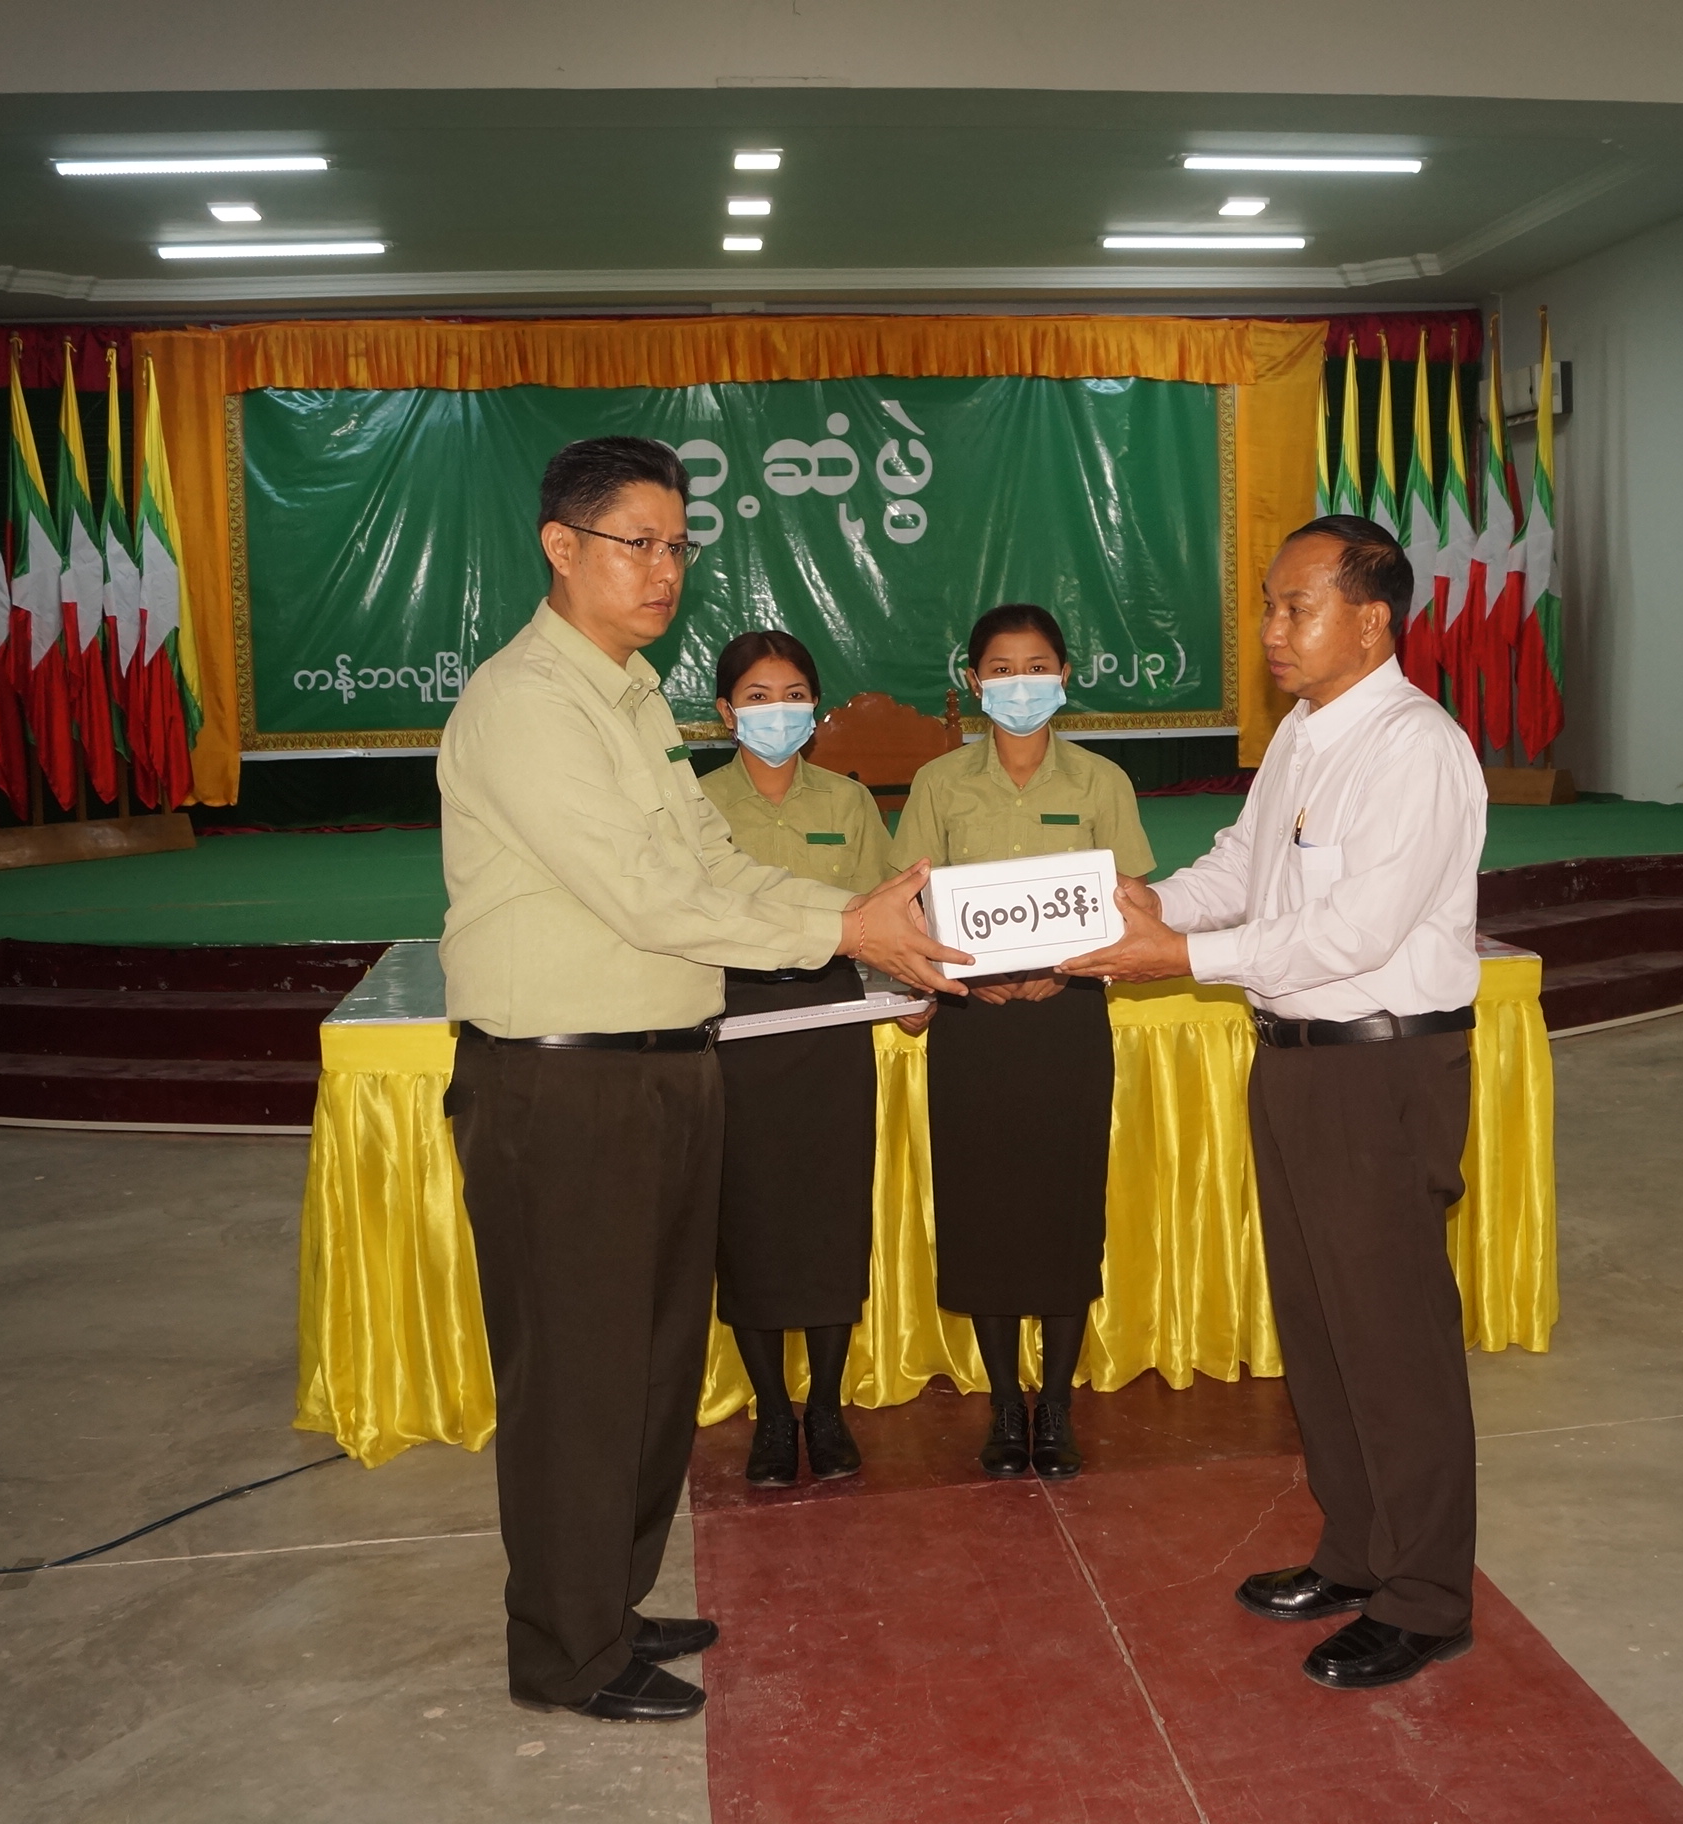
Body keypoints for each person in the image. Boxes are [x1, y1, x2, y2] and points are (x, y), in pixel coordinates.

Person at [437, 437, 967, 1724]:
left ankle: (606, 1605)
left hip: (667, 1073)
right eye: (638, 544)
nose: (665, 570)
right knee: (580, 1379)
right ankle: (563, 1650)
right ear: (561, 548)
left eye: (679, 545)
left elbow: (715, 869)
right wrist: (845, 930)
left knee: (652, 1365)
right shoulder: (527, 704)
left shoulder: (629, 700)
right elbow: (646, 895)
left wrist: (859, 916)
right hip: (564, 1088)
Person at [1060, 515, 1488, 1693]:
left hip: (1380, 1070)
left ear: (1373, 620)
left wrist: (1179, 960)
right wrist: (1148, 909)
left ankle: (1426, 1597)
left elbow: (1356, 932)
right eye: (1267, 605)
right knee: (1321, 1325)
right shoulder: (1305, 733)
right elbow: (1245, 868)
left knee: (1392, 1338)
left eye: (1298, 607)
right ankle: (1357, 1553)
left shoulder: (1416, 747)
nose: (1272, 630)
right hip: (1297, 1059)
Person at [891, 604, 1154, 1482]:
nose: (1019, 685)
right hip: (972, 1025)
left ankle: (1059, 1406)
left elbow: (1132, 906)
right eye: (1000, 670)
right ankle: (1006, 1405)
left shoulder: (1102, 782)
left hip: (1066, 1021)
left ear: (1065, 676)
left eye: (1036, 667)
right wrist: (964, 977)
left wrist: (1071, 971)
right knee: (986, 1212)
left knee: (1064, 1209)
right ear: (974, 683)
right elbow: (910, 906)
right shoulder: (938, 784)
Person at [699, 629, 894, 1486]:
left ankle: (826, 1406)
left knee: (828, 1214)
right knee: (747, 1220)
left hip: (829, 1020)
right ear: (725, 712)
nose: (776, 712)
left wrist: (913, 986)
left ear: (815, 708)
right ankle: (773, 1412)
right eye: (756, 697)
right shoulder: (693, 805)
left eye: (792, 696)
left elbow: (886, 913)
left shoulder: (848, 803)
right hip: (733, 1021)